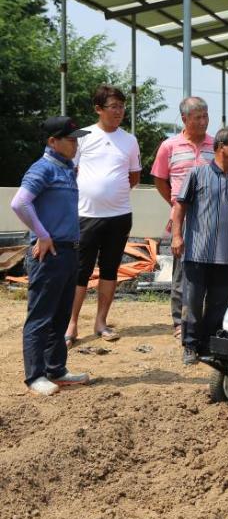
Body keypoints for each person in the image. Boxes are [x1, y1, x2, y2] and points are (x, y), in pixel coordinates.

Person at [11, 117, 92, 395]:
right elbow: (20, 202)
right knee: (41, 317)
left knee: (60, 315)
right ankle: (35, 376)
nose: (75, 143)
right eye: (70, 139)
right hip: (50, 252)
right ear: (52, 142)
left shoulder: (67, 169)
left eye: (76, 138)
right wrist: (42, 234)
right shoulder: (43, 168)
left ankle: (56, 369)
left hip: (69, 251)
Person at [66, 85, 142, 344]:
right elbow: (69, 169)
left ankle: (101, 322)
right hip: (85, 215)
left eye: (122, 107)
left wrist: (112, 191)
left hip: (119, 215)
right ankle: (71, 324)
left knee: (110, 269)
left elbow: (134, 176)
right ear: (98, 109)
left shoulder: (129, 140)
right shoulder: (81, 135)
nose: (119, 112)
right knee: (80, 270)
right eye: (114, 107)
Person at [171, 128, 228, 365]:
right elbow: (180, 207)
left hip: (226, 253)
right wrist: (176, 236)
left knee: (220, 301)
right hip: (197, 251)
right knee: (192, 300)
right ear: (221, 147)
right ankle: (190, 345)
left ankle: (209, 342)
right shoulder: (197, 174)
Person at [151, 96, 215, 339]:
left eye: (205, 116)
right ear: (184, 119)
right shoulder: (170, 146)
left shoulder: (216, 144)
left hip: (212, 216)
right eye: (197, 117)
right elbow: (159, 179)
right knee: (184, 270)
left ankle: (206, 318)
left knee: (211, 268)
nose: (203, 121)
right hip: (185, 218)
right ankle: (180, 320)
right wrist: (176, 204)